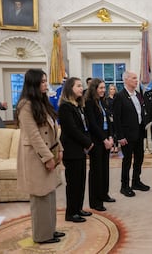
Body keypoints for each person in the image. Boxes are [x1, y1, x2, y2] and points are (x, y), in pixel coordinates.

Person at [16, 69, 64, 244]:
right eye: (42, 82)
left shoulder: (41, 102)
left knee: (49, 195)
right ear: (33, 84)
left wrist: (60, 149)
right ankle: (42, 236)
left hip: (48, 152)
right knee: (40, 198)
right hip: (36, 158)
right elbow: (34, 136)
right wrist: (48, 158)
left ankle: (49, 230)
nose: (46, 84)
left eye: (46, 81)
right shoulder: (25, 105)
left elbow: (52, 130)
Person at [58, 77, 94, 223]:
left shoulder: (78, 106)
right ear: (69, 88)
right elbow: (72, 129)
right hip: (71, 150)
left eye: (81, 86)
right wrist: (87, 143)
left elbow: (83, 127)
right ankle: (70, 213)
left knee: (80, 181)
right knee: (73, 183)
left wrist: (87, 141)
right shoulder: (65, 107)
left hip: (79, 149)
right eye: (78, 86)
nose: (81, 88)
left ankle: (78, 208)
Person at [114, 71, 150, 197]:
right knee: (127, 160)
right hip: (127, 135)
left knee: (139, 158)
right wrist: (120, 136)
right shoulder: (119, 96)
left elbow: (141, 111)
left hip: (139, 132)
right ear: (126, 80)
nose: (136, 80)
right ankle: (124, 186)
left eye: (137, 78)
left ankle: (136, 181)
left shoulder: (138, 94)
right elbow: (117, 118)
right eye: (134, 78)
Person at [85, 78, 115, 211]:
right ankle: (95, 202)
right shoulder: (89, 103)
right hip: (96, 141)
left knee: (105, 169)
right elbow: (92, 124)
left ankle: (104, 195)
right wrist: (104, 139)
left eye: (104, 88)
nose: (103, 90)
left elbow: (108, 121)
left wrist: (111, 137)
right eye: (101, 88)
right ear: (94, 89)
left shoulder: (103, 101)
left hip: (106, 139)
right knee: (96, 171)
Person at [106, 84, 118, 153]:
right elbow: (106, 109)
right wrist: (110, 115)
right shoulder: (106, 99)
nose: (112, 90)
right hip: (109, 118)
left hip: (116, 118)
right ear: (109, 90)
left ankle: (116, 146)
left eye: (113, 89)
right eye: (111, 89)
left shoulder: (117, 98)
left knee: (116, 133)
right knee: (111, 132)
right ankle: (111, 146)